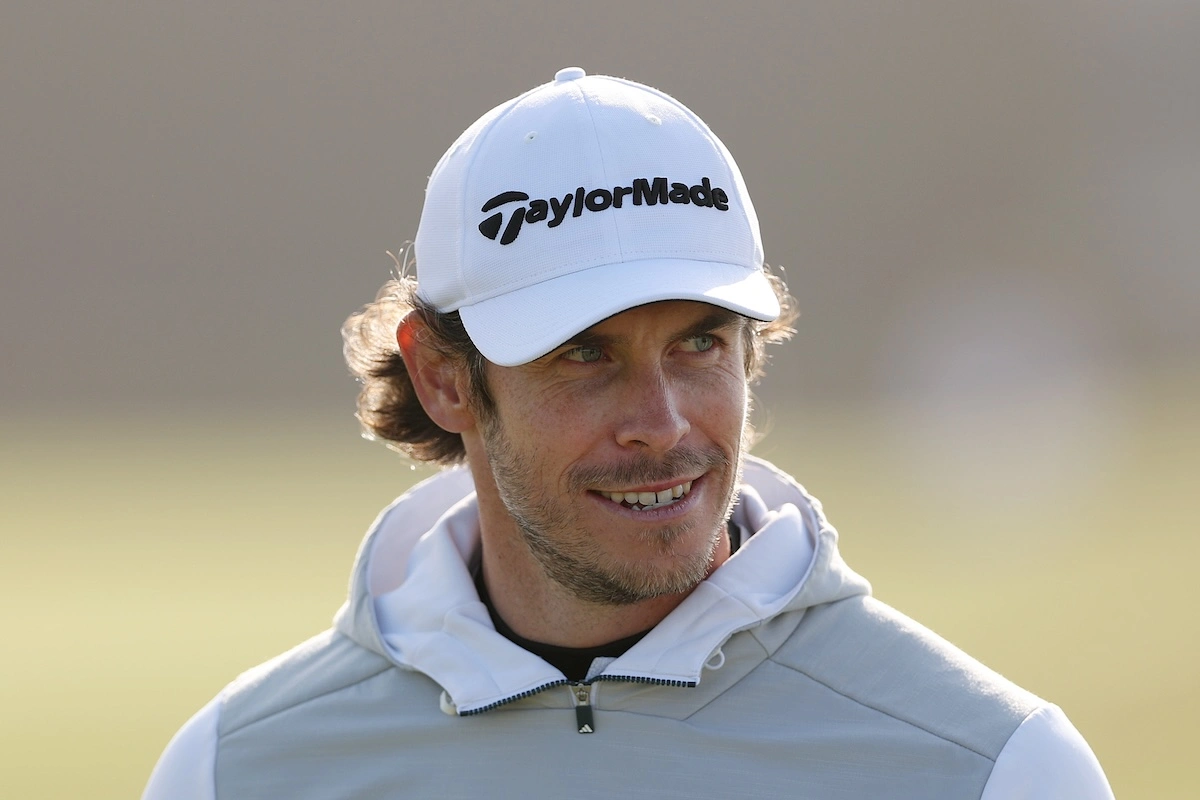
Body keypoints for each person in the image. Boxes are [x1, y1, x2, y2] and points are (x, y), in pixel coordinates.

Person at [144, 67, 1113, 799]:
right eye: (583, 355)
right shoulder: (237, 771)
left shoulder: (991, 767)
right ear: (444, 375)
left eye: (698, 343)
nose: (662, 423)